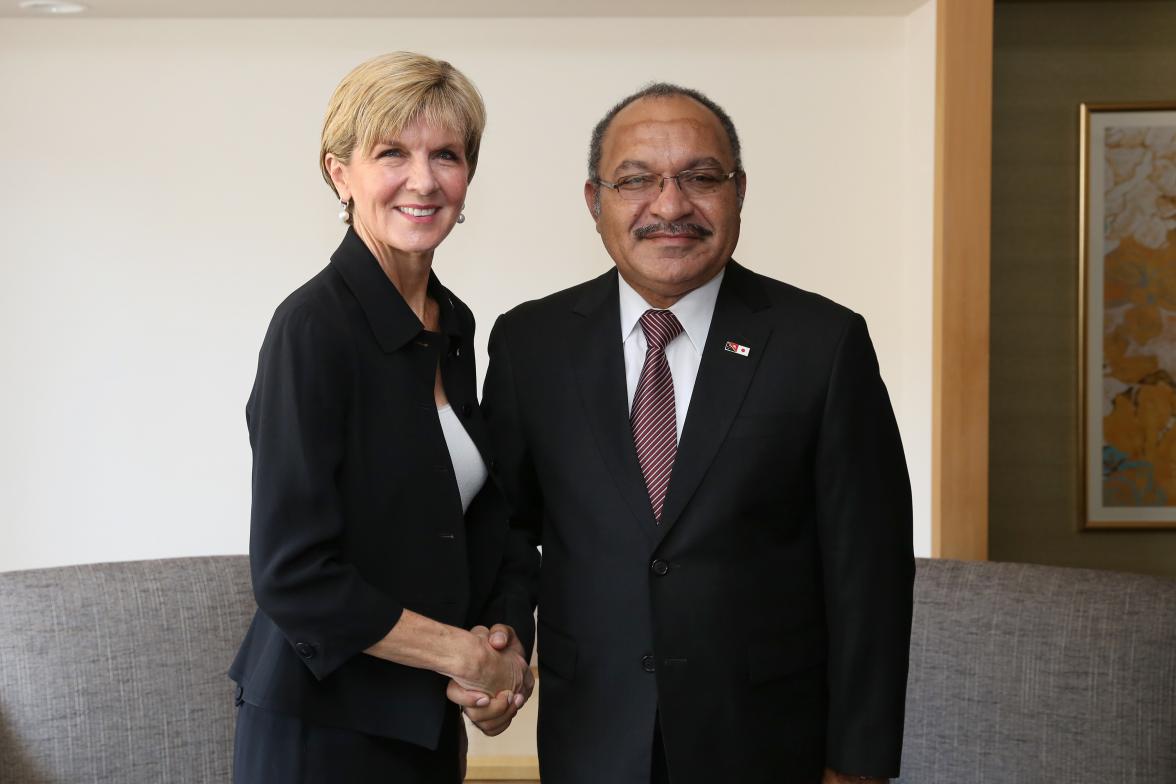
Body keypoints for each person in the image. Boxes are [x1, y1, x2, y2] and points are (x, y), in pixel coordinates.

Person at [480, 84, 914, 784]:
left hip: (767, 741)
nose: (671, 205)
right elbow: (506, 529)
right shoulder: (531, 343)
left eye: (701, 178)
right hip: (592, 734)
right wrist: (501, 641)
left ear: (738, 191)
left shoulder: (822, 343)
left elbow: (870, 572)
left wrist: (858, 764)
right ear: (596, 202)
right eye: (636, 180)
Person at [228, 52, 539, 783]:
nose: (424, 181)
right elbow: (292, 574)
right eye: (392, 153)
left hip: (423, 726)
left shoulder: (454, 323)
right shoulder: (312, 328)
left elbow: (485, 525)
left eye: (447, 156)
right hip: (319, 729)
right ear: (340, 173)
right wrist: (459, 655)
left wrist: (504, 651)